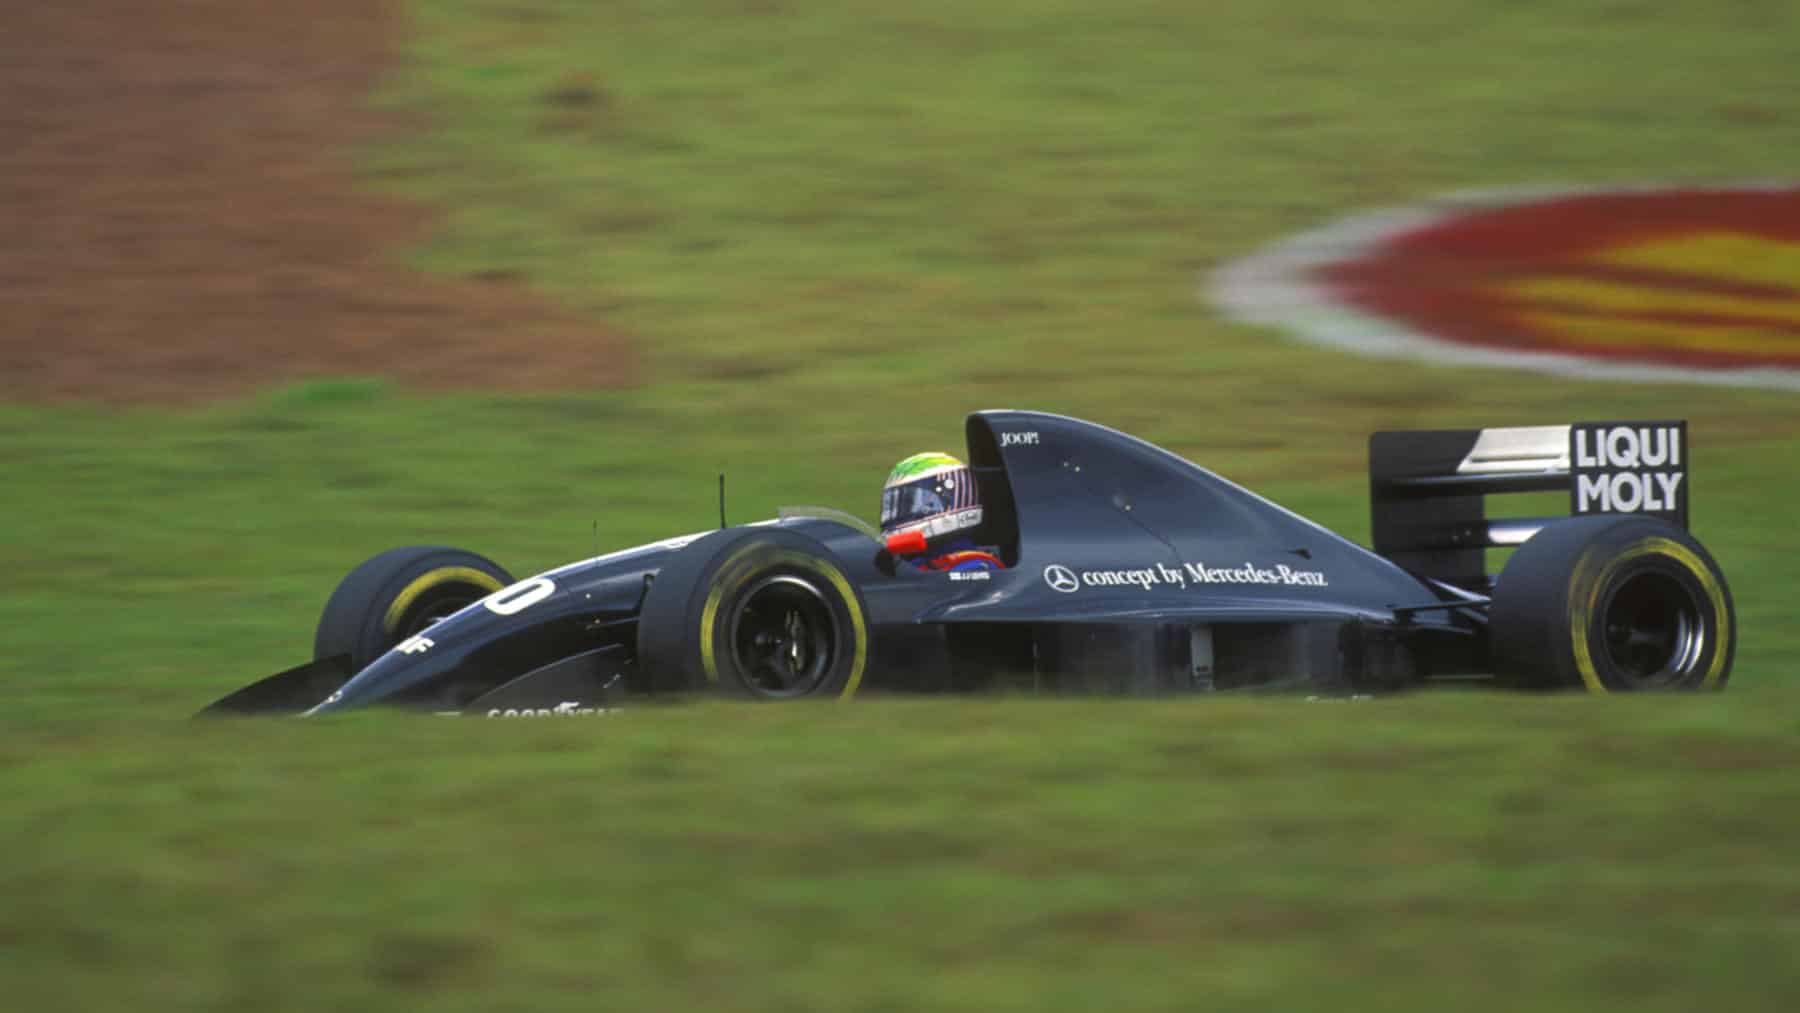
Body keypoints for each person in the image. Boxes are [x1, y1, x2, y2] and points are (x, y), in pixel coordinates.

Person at [879, 452, 1005, 573]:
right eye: (896, 504)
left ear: (950, 499)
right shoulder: (912, 565)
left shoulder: (976, 566)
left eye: (910, 503)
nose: (899, 513)